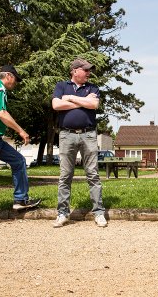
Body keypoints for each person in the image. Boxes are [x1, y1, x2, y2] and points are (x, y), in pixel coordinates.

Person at [51, 59, 107, 228]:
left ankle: (99, 212)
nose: (89, 73)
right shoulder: (61, 86)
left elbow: (94, 104)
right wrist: (82, 102)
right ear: (75, 71)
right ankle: (62, 213)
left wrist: (70, 98)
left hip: (89, 134)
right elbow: (56, 105)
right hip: (66, 135)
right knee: (65, 175)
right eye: (86, 70)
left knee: (93, 174)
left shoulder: (93, 88)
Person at [0, 65, 41, 210]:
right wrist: (21, 131)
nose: (16, 83)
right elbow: (1, 113)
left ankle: (20, 200)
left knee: (19, 161)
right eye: (15, 79)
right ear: (8, 75)